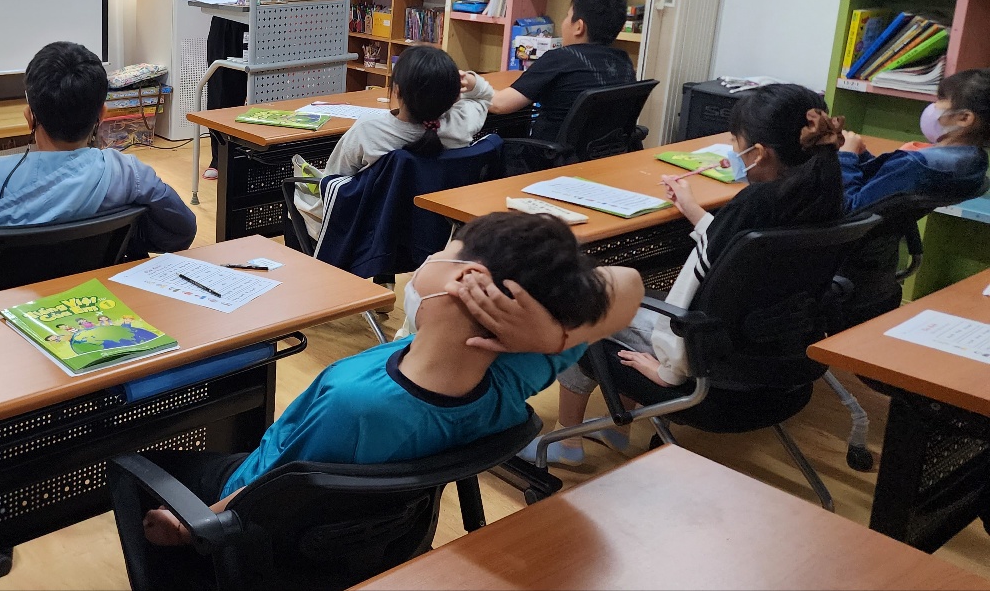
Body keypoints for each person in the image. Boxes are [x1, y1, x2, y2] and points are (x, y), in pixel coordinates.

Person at [117, 212, 642, 555]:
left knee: (139, 466)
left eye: (447, 250)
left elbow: (264, 492)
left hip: (267, 522)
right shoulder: (515, 371)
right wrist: (553, 333)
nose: (430, 259)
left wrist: (195, 526)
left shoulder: (355, 405)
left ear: (468, 281)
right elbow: (627, 285)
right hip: (374, 533)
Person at [527, 83, 846, 465]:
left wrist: (668, 372)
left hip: (710, 371)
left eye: (736, 144)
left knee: (585, 304)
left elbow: (701, 296)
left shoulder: (754, 202)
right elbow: (733, 253)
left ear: (759, 153)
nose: (734, 153)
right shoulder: (824, 194)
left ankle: (567, 442)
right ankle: (615, 428)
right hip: (781, 368)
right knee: (634, 300)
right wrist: (693, 210)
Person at [0, 41, 195, 284]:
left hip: (2, 306)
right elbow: (181, 232)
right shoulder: (129, 173)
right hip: (96, 298)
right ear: (102, 114)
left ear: (30, 116)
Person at [293, 44, 493, 238]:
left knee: (300, 195)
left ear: (396, 90)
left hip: (367, 233)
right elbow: (484, 98)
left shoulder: (368, 130)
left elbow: (333, 182)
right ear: (456, 96)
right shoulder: (462, 124)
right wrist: (472, 81)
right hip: (436, 232)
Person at [203, 0, 312, 180]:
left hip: (271, 27)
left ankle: (260, 157)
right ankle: (219, 159)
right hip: (230, 24)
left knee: (267, 94)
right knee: (223, 92)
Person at [487, 0, 636, 143]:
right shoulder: (624, 62)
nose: (563, 22)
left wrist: (474, 84)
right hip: (604, 155)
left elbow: (500, 104)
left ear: (579, 27)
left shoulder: (560, 59)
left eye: (567, 16)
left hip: (547, 155)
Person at [838, 68, 990, 211]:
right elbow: (887, 183)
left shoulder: (917, 164)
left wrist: (846, 156)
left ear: (964, 118)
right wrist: (861, 156)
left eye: (940, 99)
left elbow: (850, 207)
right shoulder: (976, 161)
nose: (933, 106)